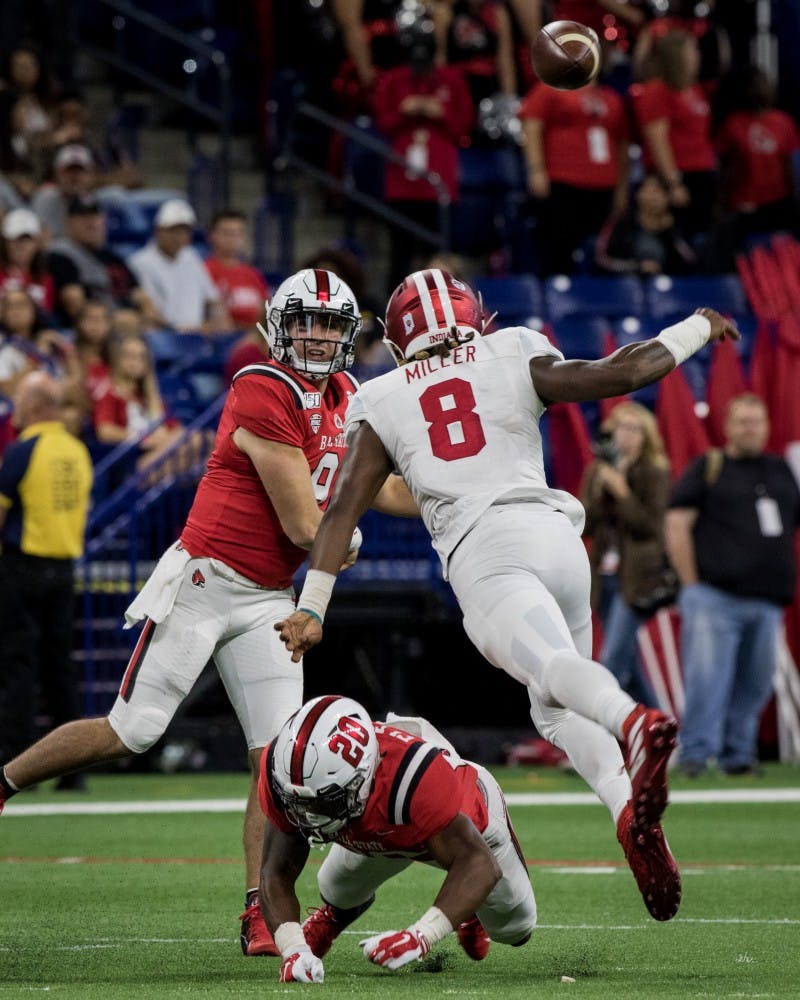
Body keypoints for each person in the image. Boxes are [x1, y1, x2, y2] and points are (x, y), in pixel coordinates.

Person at [277, 268, 741, 923]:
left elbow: (341, 514)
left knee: (552, 674)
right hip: (557, 537)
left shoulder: (380, 397)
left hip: (488, 552)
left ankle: (632, 721)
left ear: (397, 336)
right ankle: (624, 803)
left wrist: (313, 606)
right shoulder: (513, 346)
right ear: (473, 316)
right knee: (553, 709)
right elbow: (624, 373)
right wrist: (698, 326)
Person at [0, 269, 417, 958]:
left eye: (328, 324)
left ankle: (260, 909)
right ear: (280, 327)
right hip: (208, 581)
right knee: (131, 732)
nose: (315, 335)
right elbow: (301, 521)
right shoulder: (263, 385)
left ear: (348, 335)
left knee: (276, 760)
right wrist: (347, 539)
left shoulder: (349, 395)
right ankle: (4, 780)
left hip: (269, 599)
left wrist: (450, 503)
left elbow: (380, 485)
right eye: (304, 321)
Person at [258, 694, 535, 983]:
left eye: (325, 803)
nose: (309, 817)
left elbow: (479, 863)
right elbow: (275, 872)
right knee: (336, 884)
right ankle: (334, 916)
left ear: (362, 777)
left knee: (514, 928)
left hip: (468, 830)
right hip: (383, 822)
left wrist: (421, 936)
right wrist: (293, 949)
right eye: (299, 803)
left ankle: (468, 909)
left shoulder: (414, 780)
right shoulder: (286, 772)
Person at [665, 393, 800, 777]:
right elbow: (677, 524)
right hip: (714, 596)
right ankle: (696, 754)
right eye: (742, 421)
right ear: (728, 427)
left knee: (756, 685)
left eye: (757, 421)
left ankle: (739, 756)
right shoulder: (709, 466)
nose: (750, 428)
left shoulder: (780, 470)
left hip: (768, 599)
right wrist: (691, 585)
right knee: (707, 680)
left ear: (767, 426)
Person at [0, 372, 92, 784]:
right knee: (60, 668)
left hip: (23, 567)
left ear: (35, 406)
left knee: (17, 666)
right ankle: (71, 772)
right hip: (64, 569)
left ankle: (18, 762)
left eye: (19, 401)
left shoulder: (23, 451)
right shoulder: (77, 451)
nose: (15, 410)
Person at [372, 5, 473, 290]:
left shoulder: (451, 80)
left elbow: (463, 125)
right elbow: (383, 121)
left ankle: (441, 312)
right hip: (402, 182)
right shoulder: (394, 79)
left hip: (438, 182)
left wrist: (440, 113)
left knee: (437, 257)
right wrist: (406, 110)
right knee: (400, 254)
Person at [581, 401, 674, 705]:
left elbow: (650, 527)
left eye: (634, 429)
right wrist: (600, 488)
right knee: (630, 668)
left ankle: (600, 733)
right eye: (620, 427)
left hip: (636, 579)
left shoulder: (655, 472)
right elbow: (587, 523)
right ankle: (661, 732)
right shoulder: (598, 470)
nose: (626, 435)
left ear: (646, 436)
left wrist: (622, 491)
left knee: (612, 662)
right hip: (604, 575)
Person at [519, 68, 630, 275]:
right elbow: (532, 125)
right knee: (557, 251)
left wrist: (622, 187)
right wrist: (536, 170)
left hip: (604, 187)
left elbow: (622, 144)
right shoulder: (550, 89)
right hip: (562, 184)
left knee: (599, 253)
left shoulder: (611, 98)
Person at [629, 30, 717, 238]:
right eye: (692, 51)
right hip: (676, 175)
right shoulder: (656, 91)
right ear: (677, 56)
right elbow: (657, 140)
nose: (698, 55)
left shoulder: (694, 89)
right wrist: (673, 182)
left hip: (701, 172)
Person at [46, 194, 158, 326]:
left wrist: (149, 314)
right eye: (83, 217)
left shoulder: (113, 257)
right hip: (91, 329)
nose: (91, 223)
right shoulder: (60, 255)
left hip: (129, 325)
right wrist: (114, 321)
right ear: (69, 223)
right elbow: (74, 303)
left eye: (95, 216)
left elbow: (140, 295)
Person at [129, 199, 231, 333]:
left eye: (184, 231)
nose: (179, 237)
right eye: (173, 230)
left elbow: (212, 300)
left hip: (198, 334)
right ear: (159, 230)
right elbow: (151, 313)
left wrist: (217, 323)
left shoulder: (191, 256)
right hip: (164, 334)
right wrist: (183, 329)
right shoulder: (140, 262)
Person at [595, 173, 696, 276]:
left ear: (667, 198)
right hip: (625, 285)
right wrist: (637, 266)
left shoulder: (677, 226)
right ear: (637, 195)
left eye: (658, 191)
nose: (653, 197)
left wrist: (670, 233)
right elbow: (602, 261)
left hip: (670, 285)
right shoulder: (623, 223)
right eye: (648, 190)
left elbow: (690, 262)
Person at [204, 209, 270, 330]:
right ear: (212, 236)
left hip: (254, 337)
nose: (232, 238)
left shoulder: (253, 274)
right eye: (226, 233)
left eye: (238, 233)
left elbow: (264, 312)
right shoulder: (204, 271)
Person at [31, 142, 96, 240]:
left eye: (80, 171)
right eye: (69, 171)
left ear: (90, 175)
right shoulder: (46, 199)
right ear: (57, 173)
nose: (74, 177)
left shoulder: (95, 202)